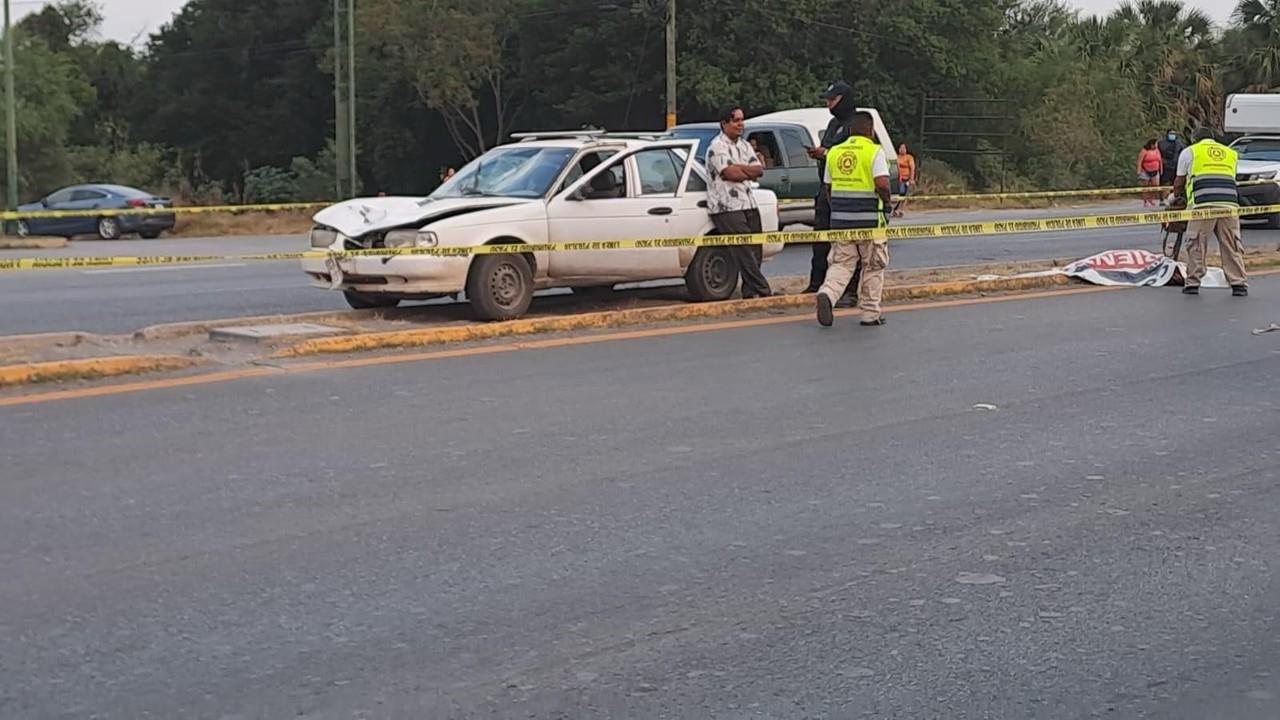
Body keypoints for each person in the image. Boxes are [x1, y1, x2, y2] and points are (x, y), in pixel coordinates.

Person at [815, 111, 893, 327]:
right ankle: (870, 314)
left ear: (849, 130)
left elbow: (828, 188)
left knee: (841, 264)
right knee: (873, 265)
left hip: (840, 220)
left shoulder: (834, 153)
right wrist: (887, 203)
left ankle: (828, 293)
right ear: (870, 130)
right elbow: (882, 184)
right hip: (870, 221)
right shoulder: (874, 151)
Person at [705, 104, 773, 299]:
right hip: (726, 206)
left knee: (755, 249)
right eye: (736, 120)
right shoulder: (717, 146)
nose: (740, 124)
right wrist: (745, 170)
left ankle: (749, 293)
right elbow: (730, 173)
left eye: (742, 120)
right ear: (724, 123)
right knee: (743, 250)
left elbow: (759, 170)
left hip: (748, 202)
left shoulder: (743, 145)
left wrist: (741, 169)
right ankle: (763, 290)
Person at [1172, 127, 1248, 297]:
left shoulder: (1189, 151)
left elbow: (1179, 181)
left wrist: (1175, 198)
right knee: (1232, 243)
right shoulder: (1230, 152)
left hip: (1203, 203)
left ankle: (1193, 282)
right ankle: (1238, 283)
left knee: (1196, 242)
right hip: (1228, 202)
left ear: (1194, 139)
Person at [804, 80, 859, 306]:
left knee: (847, 247)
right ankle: (816, 284)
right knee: (820, 239)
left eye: (832, 100)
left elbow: (850, 155)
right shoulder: (832, 124)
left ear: (844, 99)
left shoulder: (858, 125)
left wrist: (827, 153)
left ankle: (850, 290)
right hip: (825, 190)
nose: (829, 104)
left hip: (847, 194)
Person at [1157, 129, 1183, 204]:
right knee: (1165, 183)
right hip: (1165, 167)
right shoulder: (1161, 143)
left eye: (1174, 134)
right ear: (1167, 134)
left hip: (1176, 167)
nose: (1172, 135)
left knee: (1175, 183)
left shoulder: (1179, 144)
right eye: (1171, 134)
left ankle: (1174, 199)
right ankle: (1163, 199)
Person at [892, 143, 917, 218]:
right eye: (900, 148)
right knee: (899, 194)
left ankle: (899, 209)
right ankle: (896, 209)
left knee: (903, 194)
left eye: (903, 148)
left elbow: (912, 168)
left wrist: (911, 179)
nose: (902, 149)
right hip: (897, 178)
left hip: (906, 179)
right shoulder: (896, 157)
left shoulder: (909, 157)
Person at [1137, 139, 1163, 207]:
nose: (1157, 145)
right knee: (1145, 186)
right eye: (1156, 144)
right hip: (1145, 171)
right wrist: (1139, 170)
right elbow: (1140, 161)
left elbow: (1160, 160)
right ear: (1152, 144)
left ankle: (1151, 199)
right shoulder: (1144, 151)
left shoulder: (1157, 150)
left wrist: (1161, 169)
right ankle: (1145, 201)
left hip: (1155, 171)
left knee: (1155, 185)